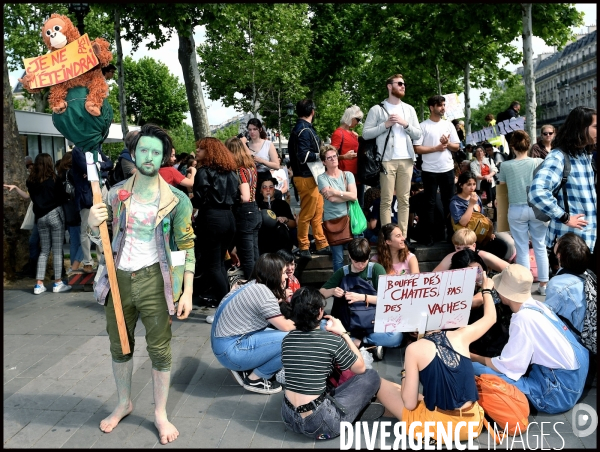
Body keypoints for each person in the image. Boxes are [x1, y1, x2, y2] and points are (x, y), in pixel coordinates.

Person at [86, 123, 195, 444]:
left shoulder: (177, 200)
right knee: (119, 345)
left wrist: (186, 290)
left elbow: (186, 247)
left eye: (156, 152)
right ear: (133, 154)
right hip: (117, 279)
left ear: (164, 158)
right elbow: (101, 240)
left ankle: (160, 414)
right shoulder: (114, 194)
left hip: (155, 279)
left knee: (160, 349)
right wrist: (93, 225)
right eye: (143, 150)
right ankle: (124, 402)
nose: (149, 156)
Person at [374, 270, 496, 443]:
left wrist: (405, 373)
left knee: (380, 383)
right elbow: (491, 318)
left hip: (441, 427)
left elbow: (409, 403)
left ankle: (405, 419)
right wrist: (486, 289)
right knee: (409, 392)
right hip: (472, 424)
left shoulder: (414, 349)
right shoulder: (462, 334)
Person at [471, 264, 589, 414]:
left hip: (557, 394)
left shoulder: (523, 319)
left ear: (505, 294)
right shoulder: (538, 305)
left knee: (473, 369)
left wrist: (471, 356)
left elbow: (506, 367)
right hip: (574, 381)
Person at [280, 286, 383, 440]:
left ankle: (347, 410)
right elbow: (360, 368)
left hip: (288, 417)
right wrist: (344, 333)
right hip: (319, 425)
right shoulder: (331, 340)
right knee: (372, 376)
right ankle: (352, 414)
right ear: (321, 311)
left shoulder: (287, 339)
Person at [211, 253, 296, 395]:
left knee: (278, 334)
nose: (286, 277)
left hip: (224, 343)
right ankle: (256, 378)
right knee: (293, 338)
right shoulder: (264, 293)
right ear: (273, 275)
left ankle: (246, 367)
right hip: (231, 350)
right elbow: (286, 327)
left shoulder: (253, 284)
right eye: (283, 273)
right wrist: (312, 323)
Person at [529, 106, 597, 254]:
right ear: (581, 128)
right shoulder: (559, 156)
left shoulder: (586, 156)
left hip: (588, 240)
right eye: (595, 127)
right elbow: (536, 192)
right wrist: (564, 217)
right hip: (570, 245)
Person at [362, 74, 422, 236]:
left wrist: (405, 124)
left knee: (404, 200)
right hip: (386, 160)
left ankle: (402, 237)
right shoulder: (377, 109)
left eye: (404, 84)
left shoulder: (409, 109)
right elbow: (366, 134)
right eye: (400, 83)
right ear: (390, 86)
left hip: (407, 159)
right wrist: (385, 125)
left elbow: (418, 133)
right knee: (386, 200)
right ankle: (388, 237)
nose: (403, 86)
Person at [320, 238, 401, 357]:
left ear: (369, 256)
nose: (361, 265)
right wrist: (332, 291)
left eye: (364, 261)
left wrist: (362, 297)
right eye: (357, 261)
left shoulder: (376, 269)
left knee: (397, 335)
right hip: (348, 323)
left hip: (372, 323)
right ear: (350, 257)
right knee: (322, 325)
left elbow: (387, 299)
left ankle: (357, 343)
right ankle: (367, 345)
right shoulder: (343, 272)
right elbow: (321, 292)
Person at [5, 154, 71, 294]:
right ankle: (58, 282)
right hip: (55, 214)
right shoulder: (54, 179)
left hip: (40, 218)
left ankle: (38, 284)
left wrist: (16, 188)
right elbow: (62, 196)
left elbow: (28, 196)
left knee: (44, 250)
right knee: (57, 249)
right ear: (49, 163)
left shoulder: (31, 181)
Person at [496, 130, 549, 295]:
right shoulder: (538, 162)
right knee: (540, 245)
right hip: (537, 207)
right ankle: (543, 285)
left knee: (522, 248)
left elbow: (501, 190)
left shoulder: (505, 165)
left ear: (512, 147)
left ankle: (525, 286)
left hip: (516, 208)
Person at [192, 137, 239, 303]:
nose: (197, 151)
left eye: (201, 148)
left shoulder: (204, 172)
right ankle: (227, 303)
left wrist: (191, 197)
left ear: (210, 151)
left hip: (212, 219)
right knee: (219, 264)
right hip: (229, 218)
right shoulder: (231, 173)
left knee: (213, 266)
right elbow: (237, 196)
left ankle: (224, 306)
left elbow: (199, 199)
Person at [413, 95, 461, 246]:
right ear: (431, 107)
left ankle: (451, 235)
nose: (443, 108)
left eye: (444, 105)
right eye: (439, 105)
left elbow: (457, 146)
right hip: (429, 170)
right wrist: (436, 148)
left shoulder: (448, 125)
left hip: (447, 169)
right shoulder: (423, 126)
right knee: (430, 203)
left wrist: (447, 144)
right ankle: (429, 236)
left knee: (449, 203)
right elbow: (417, 148)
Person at [288, 99, 331, 259]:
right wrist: (322, 154)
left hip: (308, 176)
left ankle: (320, 243)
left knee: (317, 211)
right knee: (308, 213)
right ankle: (304, 245)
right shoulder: (304, 130)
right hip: (307, 176)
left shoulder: (301, 129)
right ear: (312, 111)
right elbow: (304, 155)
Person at [71, 145, 113, 273]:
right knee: (86, 229)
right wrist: (100, 166)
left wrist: (98, 167)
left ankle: (103, 261)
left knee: (103, 225)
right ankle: (87, 262)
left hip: (102, 188)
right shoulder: (78, 150)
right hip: (86, 194)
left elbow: (110, 164)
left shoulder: (97, 147)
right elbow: (87, 168)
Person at [225, 137, 262, 280]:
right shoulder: (251, 167)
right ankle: (260, 285)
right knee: (254, 254)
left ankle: (253, 288)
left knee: (247, 257)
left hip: (245, 212)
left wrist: (233, 198)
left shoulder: (239, 171)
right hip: (255, 210)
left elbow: (245, 196)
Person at [450, 171, 509, 260]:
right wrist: (471, 205)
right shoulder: (455, 202)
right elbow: (463, 222)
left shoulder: (476, 197)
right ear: (461, 185)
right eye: (469, 184)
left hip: (479, 233)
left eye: (474, 184)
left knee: (501, 246)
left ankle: (489, 268)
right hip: (466, 237)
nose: (472, 187)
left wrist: (489, 233)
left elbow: (482, 217)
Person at [317, 145, 358, 272]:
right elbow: (332, 199)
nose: (333, 159)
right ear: (324, 162)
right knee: (338, 259)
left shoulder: (348, 175)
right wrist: (346, 195)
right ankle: (339, 286)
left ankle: (355, 284)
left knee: (356, 256)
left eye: (334, 156)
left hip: (351, 220)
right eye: (329, 158)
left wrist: (335, 191)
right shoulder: (322, 178)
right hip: (333, 221)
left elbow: (354, 196)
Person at [545, 233, 592, 335]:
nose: (556, 242)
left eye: (558, 242)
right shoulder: (589, 275)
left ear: (559, 255)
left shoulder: (557, 285)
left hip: (573, 340)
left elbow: (548, 319)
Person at [433, 229, 510, 274]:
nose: (462, 251)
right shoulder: (451, 257)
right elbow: (434, 275)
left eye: (466, 248)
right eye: (458, 248)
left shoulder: (484, 256)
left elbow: (510, 269)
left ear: (474, 246)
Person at [331, 105, 365, 206]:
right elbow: (330, 155)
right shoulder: (338, 133)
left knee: (358, 205)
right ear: (351, 117)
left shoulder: (351, 133)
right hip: (345, 175)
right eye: (357, 119)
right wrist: (344, 157)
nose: (358, 122)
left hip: (356, 174)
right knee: (349, 205)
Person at [56, 152, 84, 276]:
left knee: (74, 241)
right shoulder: (72, 173)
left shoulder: (60, 174)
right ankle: (75, 266)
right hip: (76, 209)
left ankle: (73, 268)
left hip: (67, 210)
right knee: (86, 239)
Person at [256, 177, 296, 254]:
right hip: (263, 240)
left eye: (271, 187)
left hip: (280, 238)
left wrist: (285, 219)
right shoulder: (257, 205)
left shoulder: (282, 204)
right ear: (260, 190)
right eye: (264, 187)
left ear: (274, 190)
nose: (268, 190)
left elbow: (293, 224)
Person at [242, 118, 280, 195]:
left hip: (265, 178)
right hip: (251, 178)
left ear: (260, 129)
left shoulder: (268, 144)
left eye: (254, 129)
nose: (252, 132)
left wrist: (262, 161)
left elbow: (277, 166)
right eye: (250, 130)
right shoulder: (245, 146)